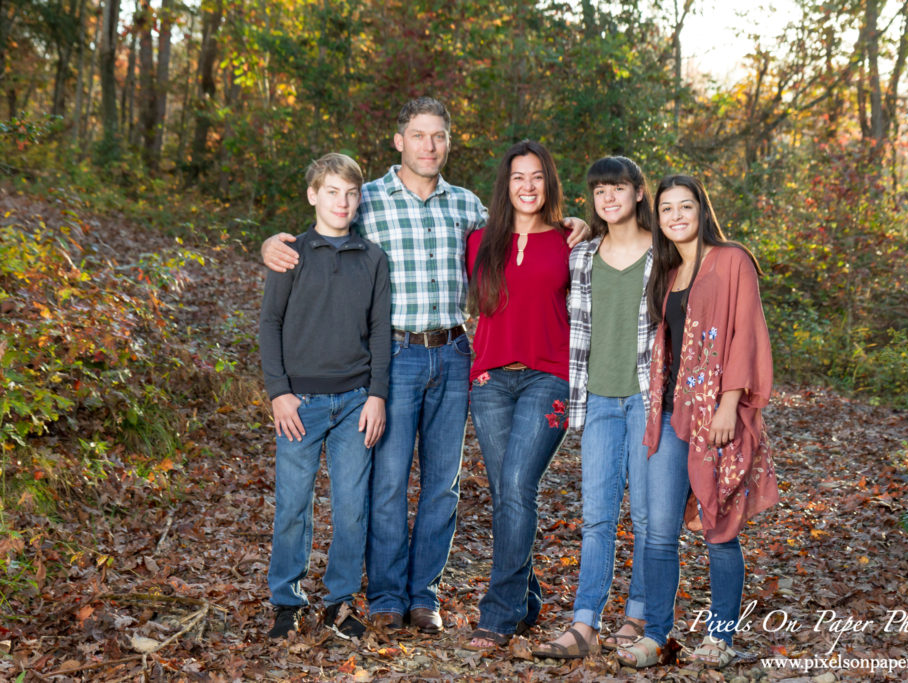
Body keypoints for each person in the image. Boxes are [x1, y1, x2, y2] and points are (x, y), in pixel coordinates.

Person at [260, 98, 589, 634]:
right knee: (388, 481)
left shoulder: (467, 206)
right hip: (393, 357)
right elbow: (323, 228)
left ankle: (423, 596)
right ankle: (386, 596)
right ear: (399, 141)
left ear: (448, 142)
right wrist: (273, 244)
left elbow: (526, 230)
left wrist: (572, 222)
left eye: (438, 136)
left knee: (443, 484)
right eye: (418, 135)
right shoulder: (367, 201)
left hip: (458, 353)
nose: (429, 146)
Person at [616, 174, 778, 669]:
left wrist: (730, 405)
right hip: (667, 414)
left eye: (686, 206)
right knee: (658, 531)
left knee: (719, 526)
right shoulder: (666, 271)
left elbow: (745, 333)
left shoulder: (732, 260)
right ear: (659, 219)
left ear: (702, 210)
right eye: (667, 209)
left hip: (715, 415)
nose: (677, 216)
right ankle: (658, 636)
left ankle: (720, 637)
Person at [259, 153, 390, 641]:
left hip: (356, 402)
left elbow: (379, 333)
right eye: (332, 191)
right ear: (313, 195)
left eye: (351, 193)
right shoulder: (290, 253)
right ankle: (287, 602)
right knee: (293, 504)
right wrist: (279, 393)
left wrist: (377, 396)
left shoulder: (372, 258)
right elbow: (269, 323)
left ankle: (339, 602)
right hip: (300, 405)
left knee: (351, 506)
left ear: (360, 200)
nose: (342, 201)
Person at [533, 156, 656, 659]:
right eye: (600, 191)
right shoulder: (582, 256)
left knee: (650, 518)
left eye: (618, 189)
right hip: (600, 398)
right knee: (598, 518)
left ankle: (640, 615)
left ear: (639, 194)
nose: (609, 198)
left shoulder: (665, 254)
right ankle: (584, 624)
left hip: (651, 400)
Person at [462, 141, 571, 651]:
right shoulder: (478, 241)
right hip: (489, 381)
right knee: (507, 492)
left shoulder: (573, 242)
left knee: (516, 486)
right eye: (517, 177)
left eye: (537, 177)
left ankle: (500, 613)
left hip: (548, 377)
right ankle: (526, 598)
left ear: (549, 182)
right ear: (505, 186)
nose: (527, 186)